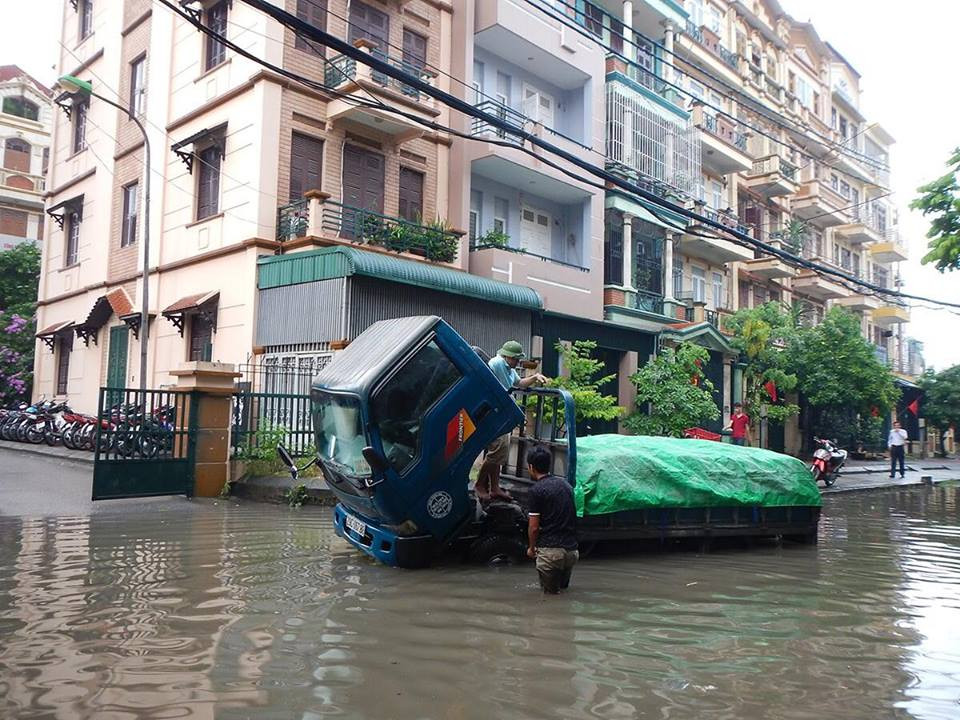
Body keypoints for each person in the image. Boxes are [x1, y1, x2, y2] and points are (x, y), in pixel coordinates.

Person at [475, 340, 547, 502]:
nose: (517, 362)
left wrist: (534, 377)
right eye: (515, 359)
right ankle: (480, 484)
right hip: (494, 412)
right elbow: (509, 385)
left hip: (503, 413)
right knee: (497, 450)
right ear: (507, 356)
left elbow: (519, 383)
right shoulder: (498, 363)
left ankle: (494, 487)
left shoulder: (508, 368)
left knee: (501, 452)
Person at [525, 445, 578, 594]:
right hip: (571, 552)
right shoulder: (566, 486)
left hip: (550, 553)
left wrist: (531, 548)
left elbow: (534, 528)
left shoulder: (536, 490)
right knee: (563, 592)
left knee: (550, 598)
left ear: (531, 467)